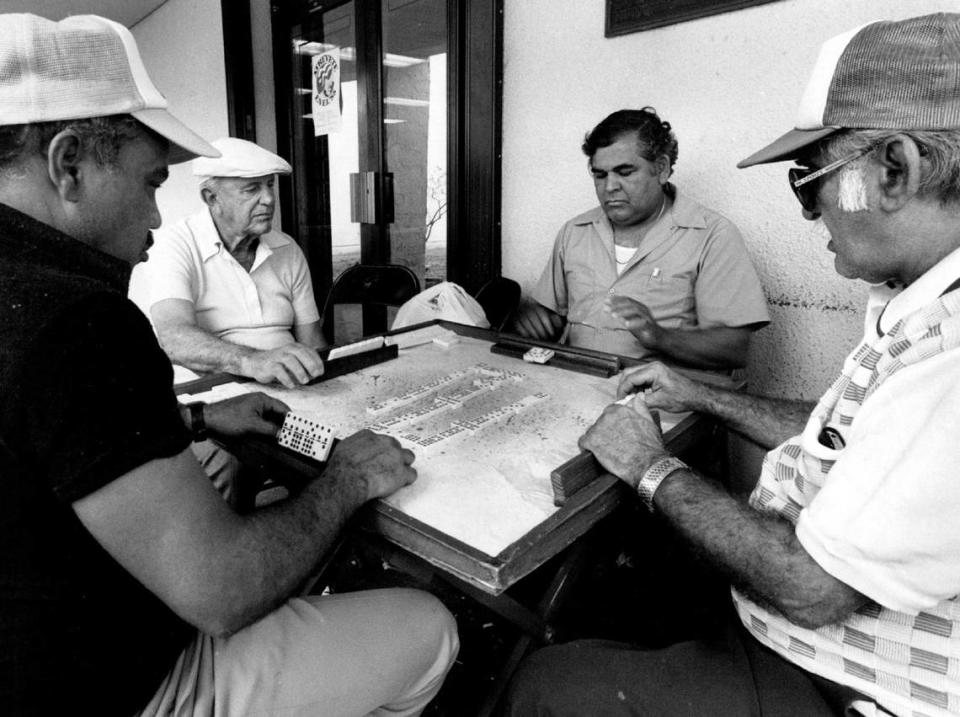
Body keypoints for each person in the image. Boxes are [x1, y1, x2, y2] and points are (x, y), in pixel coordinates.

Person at [504, 12, 960, 717]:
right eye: (599, 175)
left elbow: (811, 589)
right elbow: (850, 433)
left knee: (543, 684)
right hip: (767, 598)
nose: (812, 215)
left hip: (842, 676)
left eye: (810, 181)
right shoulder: (915, 302)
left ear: (896, 170)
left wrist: (652, 463)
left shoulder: (948, 355)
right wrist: (697, 392)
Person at [0, 13, 457, 716]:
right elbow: (223, 590)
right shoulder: (77, 316)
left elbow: (44, 430)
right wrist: (346, 479)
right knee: (433, 628)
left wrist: (198, 415)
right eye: (152, 182)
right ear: (67, 165)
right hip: (122, 682)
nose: (153, 221)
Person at [511, 107, 770, 370]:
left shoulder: (711, 236)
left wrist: (659, 337)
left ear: (662, 169)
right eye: (600, 174)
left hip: (663, 403)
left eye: (625, 172)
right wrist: (534, 321)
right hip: (577, 387)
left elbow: (735, 349)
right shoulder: (576, 231)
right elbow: (549, 317)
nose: (610, 186)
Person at [131, 136, 327, 389]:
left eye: (270, 185)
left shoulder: (287, 248)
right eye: (252, 189)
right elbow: (174, 338)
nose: (268, 199)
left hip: (290, 385)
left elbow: (312, 340)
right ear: (211, 198)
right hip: (219, 392)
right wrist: (254, 361)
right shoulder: (175, 244)